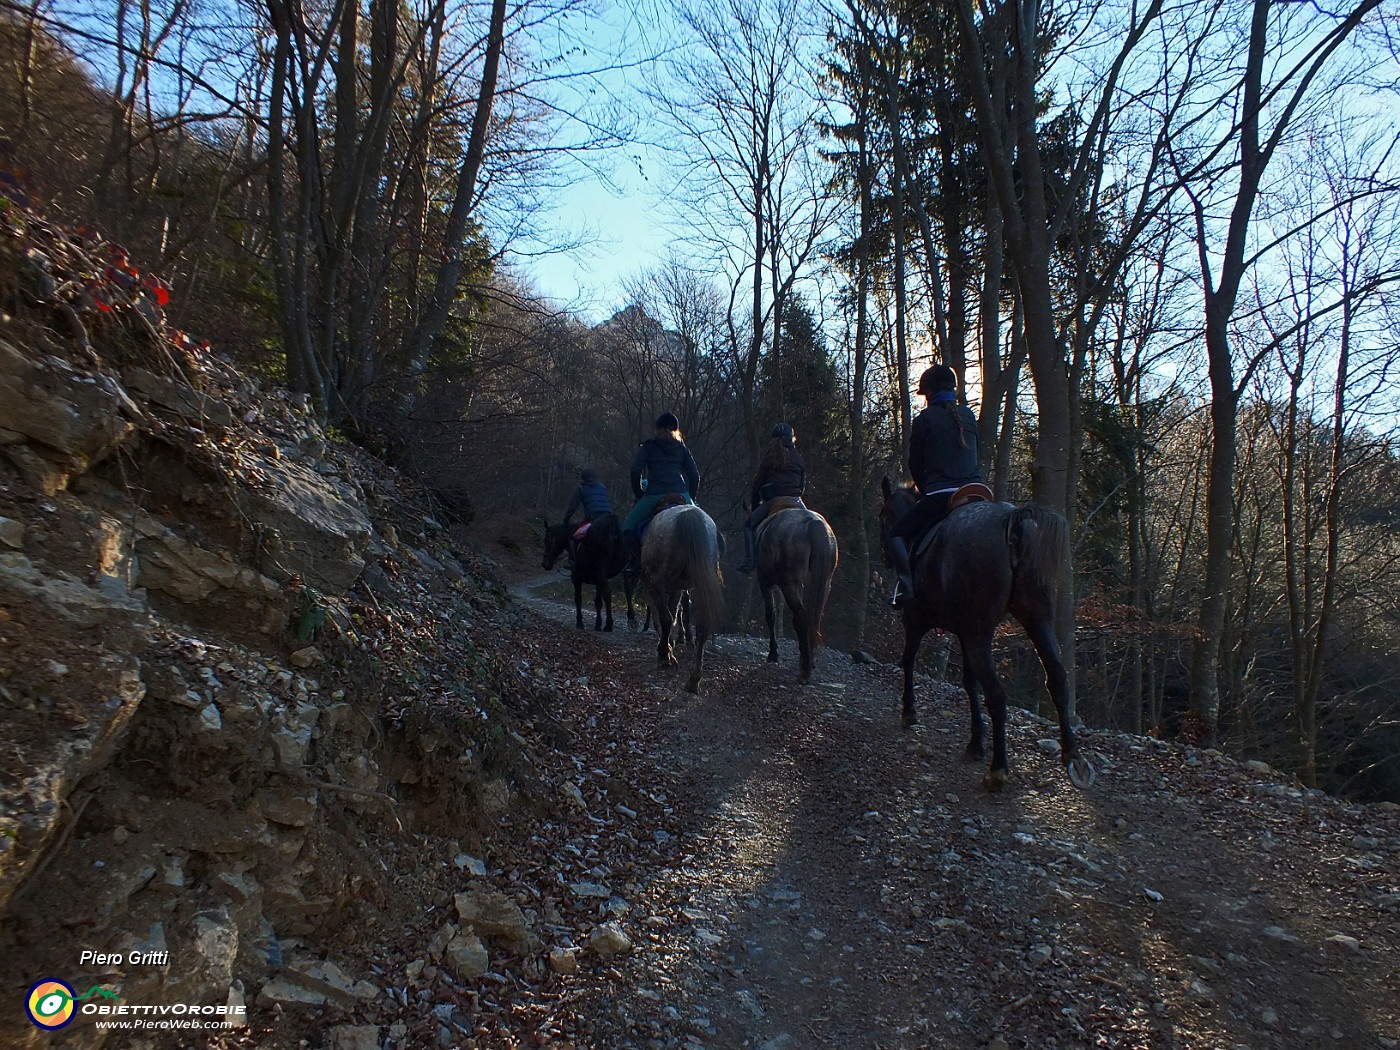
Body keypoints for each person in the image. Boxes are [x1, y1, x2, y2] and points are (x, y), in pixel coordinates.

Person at [887, 363, 980, 607]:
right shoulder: (969, 415)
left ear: (929, 393)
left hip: (941, 495)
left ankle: (906, 587)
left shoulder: (925, 419)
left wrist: (924, 488)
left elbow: (915, 463)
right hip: (976, 493)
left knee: (895, 533)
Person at [622, 412, 700, 573]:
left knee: (628, 527)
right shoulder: (682, 448)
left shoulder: (649, 447)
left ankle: (635, 564)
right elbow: (694, 476)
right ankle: (711, 564)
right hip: (681, 493)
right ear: (676, 430)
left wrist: (640, 493)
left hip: (654, 494)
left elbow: (636, 470)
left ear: (657, 429)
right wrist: (691, 497)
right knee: (703, 524)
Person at [737, 422, 806, 574]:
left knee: (748, 526)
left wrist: (755, 506)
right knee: (813, 521)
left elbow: (757, 484)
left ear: (774, 441)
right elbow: (802, 486)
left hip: (774, 501)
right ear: (792, 439)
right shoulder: (798, 459)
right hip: (796, 500)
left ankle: (749, 560)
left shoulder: (770, 458)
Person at [561, 467, 612, 566]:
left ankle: (574, 561)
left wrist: (566, 520)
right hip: (608, 516)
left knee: (574, 537)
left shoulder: (581, 488)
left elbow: (573, 506)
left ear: (583, 478)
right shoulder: (602, 486)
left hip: (593, 518)